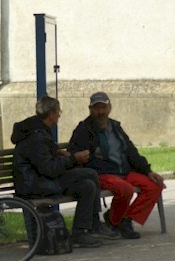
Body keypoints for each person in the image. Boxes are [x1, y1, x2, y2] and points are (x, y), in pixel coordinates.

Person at [10, 95, 121, 248]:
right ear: (51, 114)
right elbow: (49, 169)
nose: (59, 115)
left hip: (40, 180)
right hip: (34, 185)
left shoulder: (38, 130)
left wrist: (57, 152)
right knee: (89, 174)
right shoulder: (37, 136)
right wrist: (73, 159)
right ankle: (93, 224)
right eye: (58, 112)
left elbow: (43, 159)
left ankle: (80, 232)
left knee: (87, 185)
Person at [68, 92, 167, 239]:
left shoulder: (116, 127)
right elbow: (74, 153)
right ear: (90, 109)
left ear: (110, 107)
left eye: (103, 107)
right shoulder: (84, 129)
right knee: (125, 189)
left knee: (155, 185)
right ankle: (115, 221)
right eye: (96, 108)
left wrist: (148, 171)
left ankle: (125, 219)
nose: (100, 112)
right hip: (100, 174)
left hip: (123, 171)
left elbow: (131, 151)